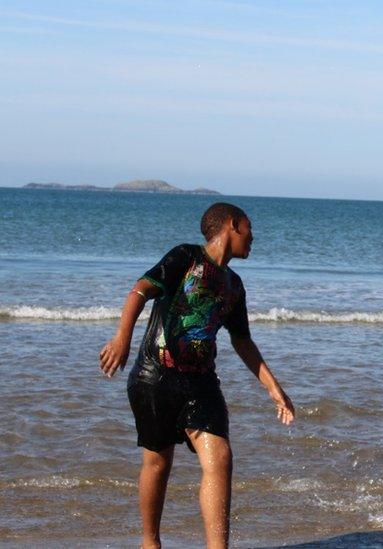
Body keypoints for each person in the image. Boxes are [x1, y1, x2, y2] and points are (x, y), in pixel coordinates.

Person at [98, 203, 295, 549]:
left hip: (201, 382)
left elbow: (242, 341)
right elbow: (141, 289)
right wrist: (121, 338)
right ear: (233, 225)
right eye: (249, 228)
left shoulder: (234, 286)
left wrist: (273, 388)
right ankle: (150, 543)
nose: (253, 236)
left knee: (220, 457)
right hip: (154, 375)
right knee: (158, 462)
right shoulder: (185, 257)